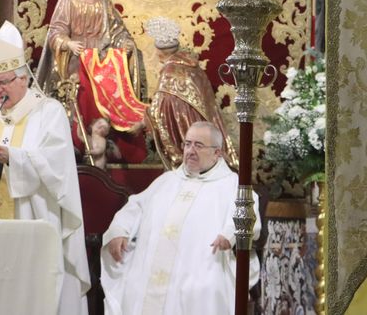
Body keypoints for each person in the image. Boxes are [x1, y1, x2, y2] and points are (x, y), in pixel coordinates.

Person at [0, 20, 91, 315]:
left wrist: (14, 157)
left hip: (33, 214)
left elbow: (57, 165)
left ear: (23, 79)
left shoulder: (48, 112)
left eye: (3, 82)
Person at [100, 122, 260, 315]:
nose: (190, 151)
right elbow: (136, 206)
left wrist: (229, 236)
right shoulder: (167, 181)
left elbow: (247, 216)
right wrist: (119, 231)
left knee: (202, 290)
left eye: (198, 145)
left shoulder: (233, 185)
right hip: (150, 269)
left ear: (217, 153)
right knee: (133, 283)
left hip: (205, 266)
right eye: (187, 144)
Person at [35, 0, 148, 162]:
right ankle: (77, 143)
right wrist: (68, 43)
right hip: (75, 62)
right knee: (79, 97)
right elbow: (56, 31)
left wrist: (124, 43)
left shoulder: (103, 1)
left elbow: (116, 30)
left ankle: (108, 142)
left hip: (100, 60)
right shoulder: (68, 0)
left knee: (109, 92)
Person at [144, 17, 238, 170]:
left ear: (160, 53)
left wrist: (145, 117)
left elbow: (159, 109)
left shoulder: (169, 71)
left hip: (186, 137)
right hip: (205, 132)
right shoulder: (193, 67)